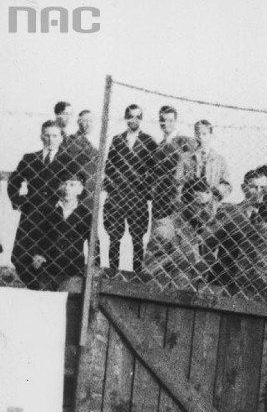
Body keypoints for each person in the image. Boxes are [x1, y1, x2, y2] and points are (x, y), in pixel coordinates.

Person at [8, 120, 81, 288]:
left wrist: (67, 206)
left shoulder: (68, 161)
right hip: (31, 213)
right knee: (21, 256)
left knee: (48, 255)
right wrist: (19, 201)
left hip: (54, 215)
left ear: (61, 138)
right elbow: (14, 181)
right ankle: (30, 287)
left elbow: (76, 186)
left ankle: (43, 291)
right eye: (47, 135)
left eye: (55, 136)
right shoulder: (30, 158)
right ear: (41, 136)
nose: (50, 139)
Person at [11, 169, 92, 291]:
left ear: (80, 189)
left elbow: (93, 243)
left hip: (73, 272)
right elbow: (35, 235)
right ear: (58, 186)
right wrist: (36, 253)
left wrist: (92, 268)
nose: (67, 188)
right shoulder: (48, 210)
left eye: (72, 184)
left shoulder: (85, 214)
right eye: (63, 183)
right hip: (48, 268)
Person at [103, 104, 157, 271]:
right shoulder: (117, 139)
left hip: (137, 196)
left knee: (138, 236)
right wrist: (112, 185)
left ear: (141, 119)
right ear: (126, 117)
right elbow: (109, 166)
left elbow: (154, 169)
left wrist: (145, 188)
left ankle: (137, 274)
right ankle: (112, 272)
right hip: (118, 195)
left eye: (138, 117)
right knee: (114, 235)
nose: (134, 120)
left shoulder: (149, 141)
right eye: (131, 116)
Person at [177, 119, 231, 209]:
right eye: (198, 134)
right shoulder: (185, 158)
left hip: (212, 206)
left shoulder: (219, 160)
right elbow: (177, 183)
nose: (201, 137)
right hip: (188, 206)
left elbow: (227, 185)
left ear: (211, 135)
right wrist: (191, 193)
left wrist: (211, 194)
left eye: (204, 134)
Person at [62, 110, 99, 208]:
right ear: (78, 122)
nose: (88, 124)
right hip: (79, 193)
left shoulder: (90, 142)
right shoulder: (72, 140)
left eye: (91, 121)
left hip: (91, 192)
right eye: (85, 121)